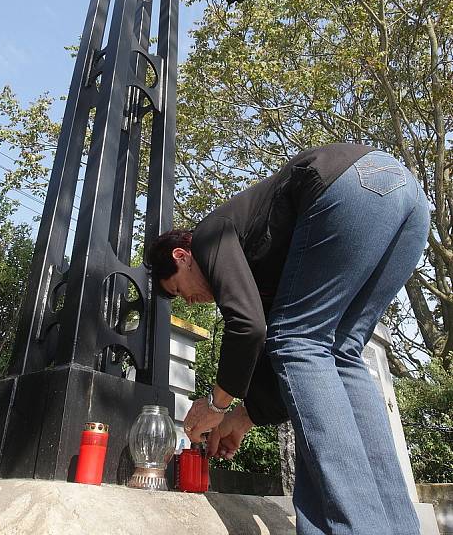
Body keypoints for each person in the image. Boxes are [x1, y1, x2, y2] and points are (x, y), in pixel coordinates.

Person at [147, 143, 430, 535]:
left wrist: (214, 404)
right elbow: (293, 366)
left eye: (178, 289)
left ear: (182, 256)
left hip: (350, 186)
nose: (190, 300)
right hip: (408, 202)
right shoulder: (265, 273)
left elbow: (249, 327)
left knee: (300, 342)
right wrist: (240, 418)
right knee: (340, 352)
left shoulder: (210, 234)